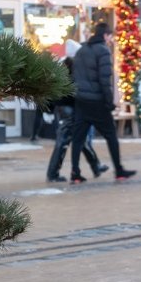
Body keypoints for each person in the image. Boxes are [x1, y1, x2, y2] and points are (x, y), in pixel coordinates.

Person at [68, 22, 136, 184]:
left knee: (77, 139)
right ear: (105, 35)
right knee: (111, 135)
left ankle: (75, 172)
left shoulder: (81, 51)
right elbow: (104, 80)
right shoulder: (103, 51)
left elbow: (74, 76)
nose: (111, 40)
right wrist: (109, 102)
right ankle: (119, 170)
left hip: (81, 101)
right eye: (110, 36)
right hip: (97, 102)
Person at [46, 43, 109, 182]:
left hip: (67, 108)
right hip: (71, 109)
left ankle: (96, 165)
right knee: (63, 142)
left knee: (81, 139)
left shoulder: (64, 67)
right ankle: (53, 173)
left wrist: (49, 109)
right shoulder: (75, 68)